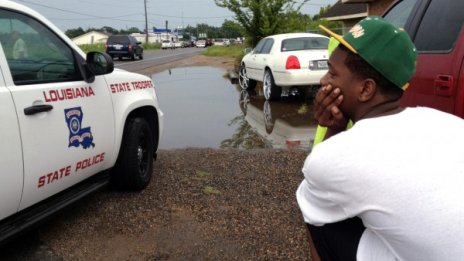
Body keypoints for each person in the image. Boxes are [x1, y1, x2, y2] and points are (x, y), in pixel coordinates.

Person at [296, 16, 464, 261]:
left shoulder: (337, 158)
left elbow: (315, 196)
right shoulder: (447, 121)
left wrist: (333, 129)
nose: (323, 81)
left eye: (332, 73)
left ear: (366, 89)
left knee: (319, 221)